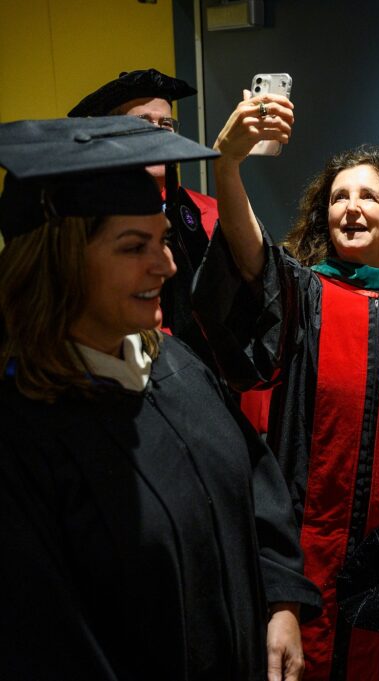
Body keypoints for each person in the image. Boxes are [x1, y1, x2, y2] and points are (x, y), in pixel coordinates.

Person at [0, 116, 322, 680]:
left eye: (163, 239)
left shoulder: (174, 364)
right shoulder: (25, 439)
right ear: (60, 261)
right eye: (134, 247)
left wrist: (281, 603)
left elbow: (255, 476)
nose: (167, 265)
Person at [191, 93, 379, 681]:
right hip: (302, 554)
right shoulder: (303, 295)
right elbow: (248, 255)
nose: (351, 209)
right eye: (338, 198)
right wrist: (228, 165)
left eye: (368, 197)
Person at [69, 67, 273, 433]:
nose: (157, 132)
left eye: (166, 124)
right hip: (123, 387)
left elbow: (255, 282)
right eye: (142, 122)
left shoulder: (207, 211)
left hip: (210, 386)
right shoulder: (84, 222)